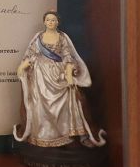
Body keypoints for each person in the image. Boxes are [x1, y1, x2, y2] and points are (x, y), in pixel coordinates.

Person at [13, 10, 106, 148]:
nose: (50, 22)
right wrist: (22, 66)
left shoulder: (62, 38)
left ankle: (70, 134)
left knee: (71, 97)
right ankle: (43, 136)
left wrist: (68, 74)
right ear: (44, 22)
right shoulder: (39, 37)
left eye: (53, 20)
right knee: (39, 105)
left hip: (58, 73)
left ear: (57, 22)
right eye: (48, 20)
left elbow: (68, 56)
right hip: (40, 75)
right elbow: (31, 54)